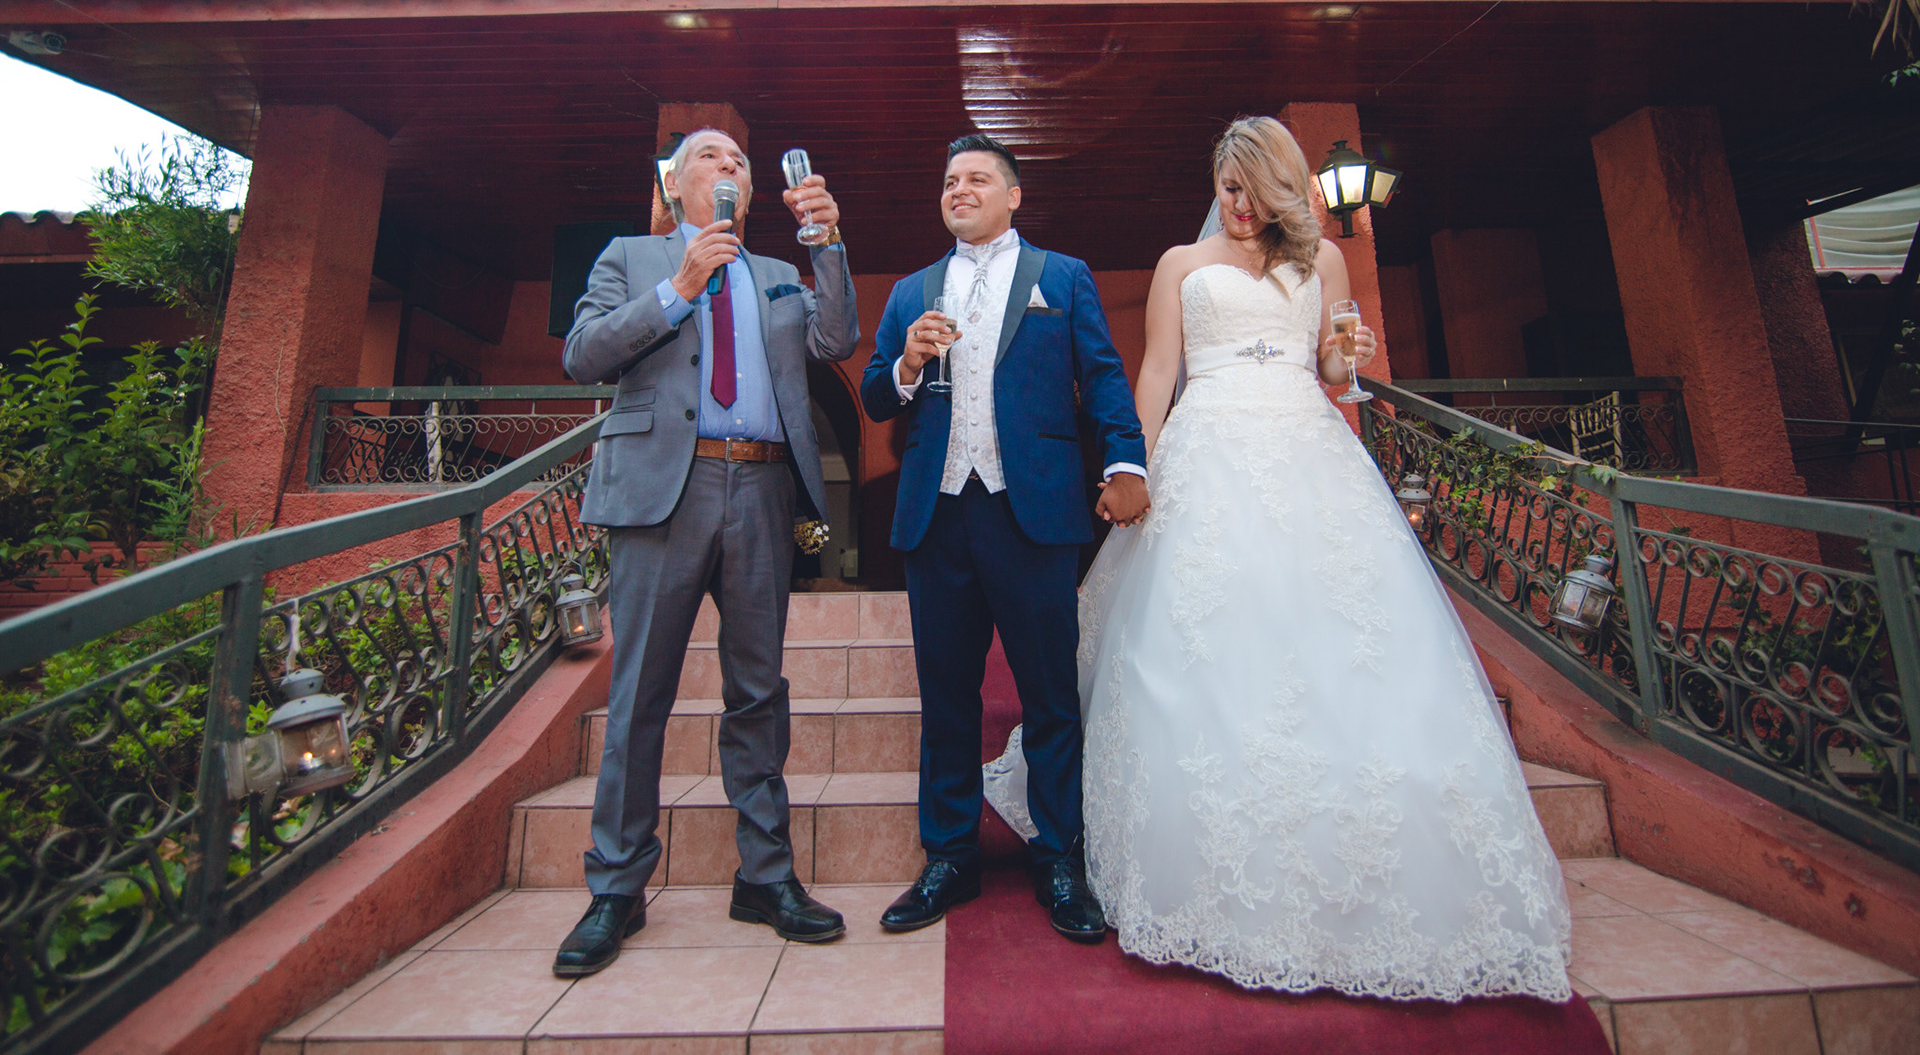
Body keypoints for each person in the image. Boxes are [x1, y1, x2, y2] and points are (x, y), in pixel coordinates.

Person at [991, 115, 1572, 1001]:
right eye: (1225, 189)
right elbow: (1158, 373)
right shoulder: (1180, 265)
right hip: (1207, 453)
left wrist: (1345, 355)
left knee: (1341, 637)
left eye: (1251, 191)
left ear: (1282, 190)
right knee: (1205, 638)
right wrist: (1129, 469)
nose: (1235, 205)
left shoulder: (1324, 261)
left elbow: (1334, 371)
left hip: (1310, 456)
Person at [554, 128, 859, 977]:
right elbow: (582, 354)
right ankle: (617, 887)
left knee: (758, 691)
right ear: (675, 183)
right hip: (663, 490)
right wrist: (679, 288)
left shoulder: (780, 273)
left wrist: (827, 243)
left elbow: (836, 340)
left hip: (761, 488)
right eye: (710, 158)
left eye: (740, 163)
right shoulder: (631, 256)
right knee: (639, 691)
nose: (729, 167)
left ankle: (765, 876)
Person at [859, 134, 1150, 943]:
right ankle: (950, 855)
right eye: (950, 180)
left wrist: (1126, 461)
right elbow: (877, 396)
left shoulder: (1063, 277)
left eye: (978, 178)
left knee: (1050, 694)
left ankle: (1059, 856)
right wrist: (907, 364)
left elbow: (1103, 377)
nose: (960, 189)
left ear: (1013, 195)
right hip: (938, 514)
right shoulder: (912, 290)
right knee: (946, 695)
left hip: (1035, 510)